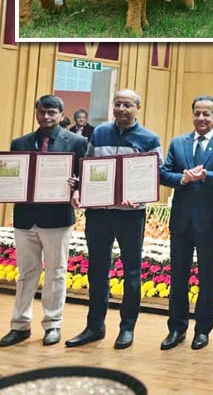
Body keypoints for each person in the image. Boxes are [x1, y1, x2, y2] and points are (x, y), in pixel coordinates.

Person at [66, 89, 162, 350]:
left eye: (127, 104)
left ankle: (127, 328)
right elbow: (87, 166)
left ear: (138, 108)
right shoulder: (99, 133)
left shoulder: (150, 138)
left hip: (131, 215)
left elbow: (155, 175)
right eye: (117, 103)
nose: (121, 109)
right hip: (98, 212)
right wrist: (79, 189)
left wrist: (140, 197)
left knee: (131, 272)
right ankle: (94, 326)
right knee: (97, 270)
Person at [0, 95, 87, 348]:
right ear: (36, 113)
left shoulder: (78, 142)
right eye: (42, 112)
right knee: (26, 273)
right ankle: (19, 325)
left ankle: (53, 324)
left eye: (52, 112)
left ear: (61, 114)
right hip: (25, 217)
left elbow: (85, 178)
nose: (46, 117)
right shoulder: (20, 143)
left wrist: (77, 185)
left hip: (58, 217)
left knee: (56, 272)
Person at [159, 95, 213, 351]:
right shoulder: (178, 142)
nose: (201, 118)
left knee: (207, 278)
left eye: (206, 114)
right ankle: (176, 328)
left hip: (210, 221)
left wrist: (206, 176)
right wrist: (183, 179)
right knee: (178, 277)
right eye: (197, 113)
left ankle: (202, 330)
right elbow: (164, 173)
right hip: (181, 221)